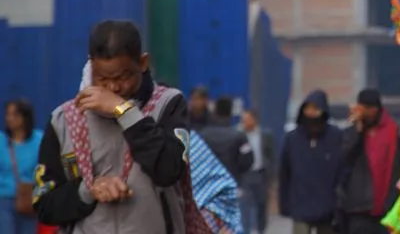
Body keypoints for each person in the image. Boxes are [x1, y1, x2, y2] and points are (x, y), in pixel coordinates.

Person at [34, 20, 191, 233]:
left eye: (123, 77)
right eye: (103, 79)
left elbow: (168, 171)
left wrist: (124, 112)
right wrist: (87, 191)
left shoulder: (167, 104)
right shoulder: (64, 120)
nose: (113, 87)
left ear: (143, 63)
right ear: (91, 65)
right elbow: (45, 206)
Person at [279, 90, 345, 234]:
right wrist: (285, 204)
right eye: (308, 108)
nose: (311, 113)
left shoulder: (335, 137)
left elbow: (342, 171)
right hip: (300, 205)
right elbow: (285, 173)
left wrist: (339, 203)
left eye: (316, 109)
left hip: (328, 207)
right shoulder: (293, 139)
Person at [338, 90, 400, 234]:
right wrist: (357, 130)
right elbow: (344, 158)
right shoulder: (352, 132)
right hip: (359, 206)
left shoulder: (393, 130)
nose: (367, 113)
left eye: (369, 109)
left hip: (387, 206)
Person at [1, 100, 42, 234]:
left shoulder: (38, 139)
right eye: (8, 114)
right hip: (4, 200)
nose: (9, 118)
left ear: (25, 117)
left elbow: (45, 168)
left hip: (28, 199)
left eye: (15, 114)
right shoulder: (1, 140)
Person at [199, 96, 254, 182]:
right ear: (230, 113)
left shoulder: (203, 135)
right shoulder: (239, 136)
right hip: (232, 181)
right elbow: (247, 161)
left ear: (215, 112)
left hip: (208, 184)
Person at [240, 109, 274, 234]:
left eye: (247, 119)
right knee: (245, 206)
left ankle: (261, 230)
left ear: (255, 120)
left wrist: (270, 177)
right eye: (243, 120)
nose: (245, 122)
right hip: (245, 175)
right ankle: (246, 230)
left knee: (261, 205)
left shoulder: (265, 135)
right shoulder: (239, 135)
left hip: (261, 174)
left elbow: (270, 156)